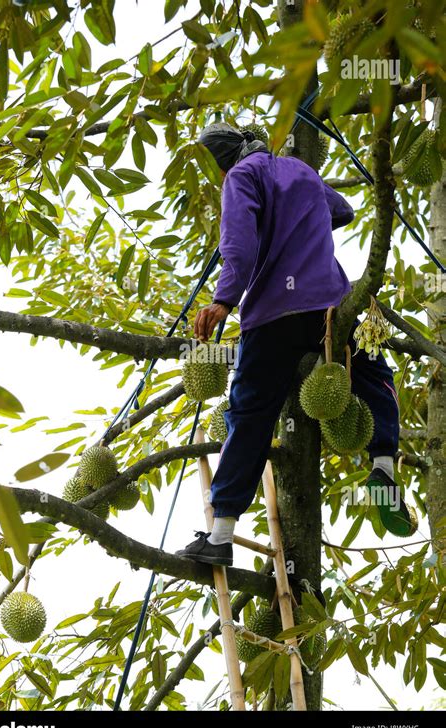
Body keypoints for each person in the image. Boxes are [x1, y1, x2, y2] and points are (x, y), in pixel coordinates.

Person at [176, 122, 414, 568]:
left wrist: (223, 301)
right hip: (329, 308)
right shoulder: (300, 171)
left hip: (274, 316)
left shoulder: (240, 178)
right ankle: (383, 461)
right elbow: (341, 211)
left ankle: (221, 534)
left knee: (248, 415)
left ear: (222, 161)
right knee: (378, 376)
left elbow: (240, 248)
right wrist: (300, 215)